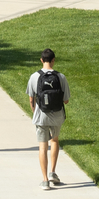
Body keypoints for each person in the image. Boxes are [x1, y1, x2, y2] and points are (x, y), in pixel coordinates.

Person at [28, 48, 69, 188]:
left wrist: (35, 111)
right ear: (53, 60)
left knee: (42, 146)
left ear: (41, 60)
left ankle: (45, 180)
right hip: (57, 116)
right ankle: (52, 172)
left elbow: (31, 98)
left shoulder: (34, 77)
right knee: (55, 140)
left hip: (41, 116)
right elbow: (66, 100)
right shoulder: (60, 77)